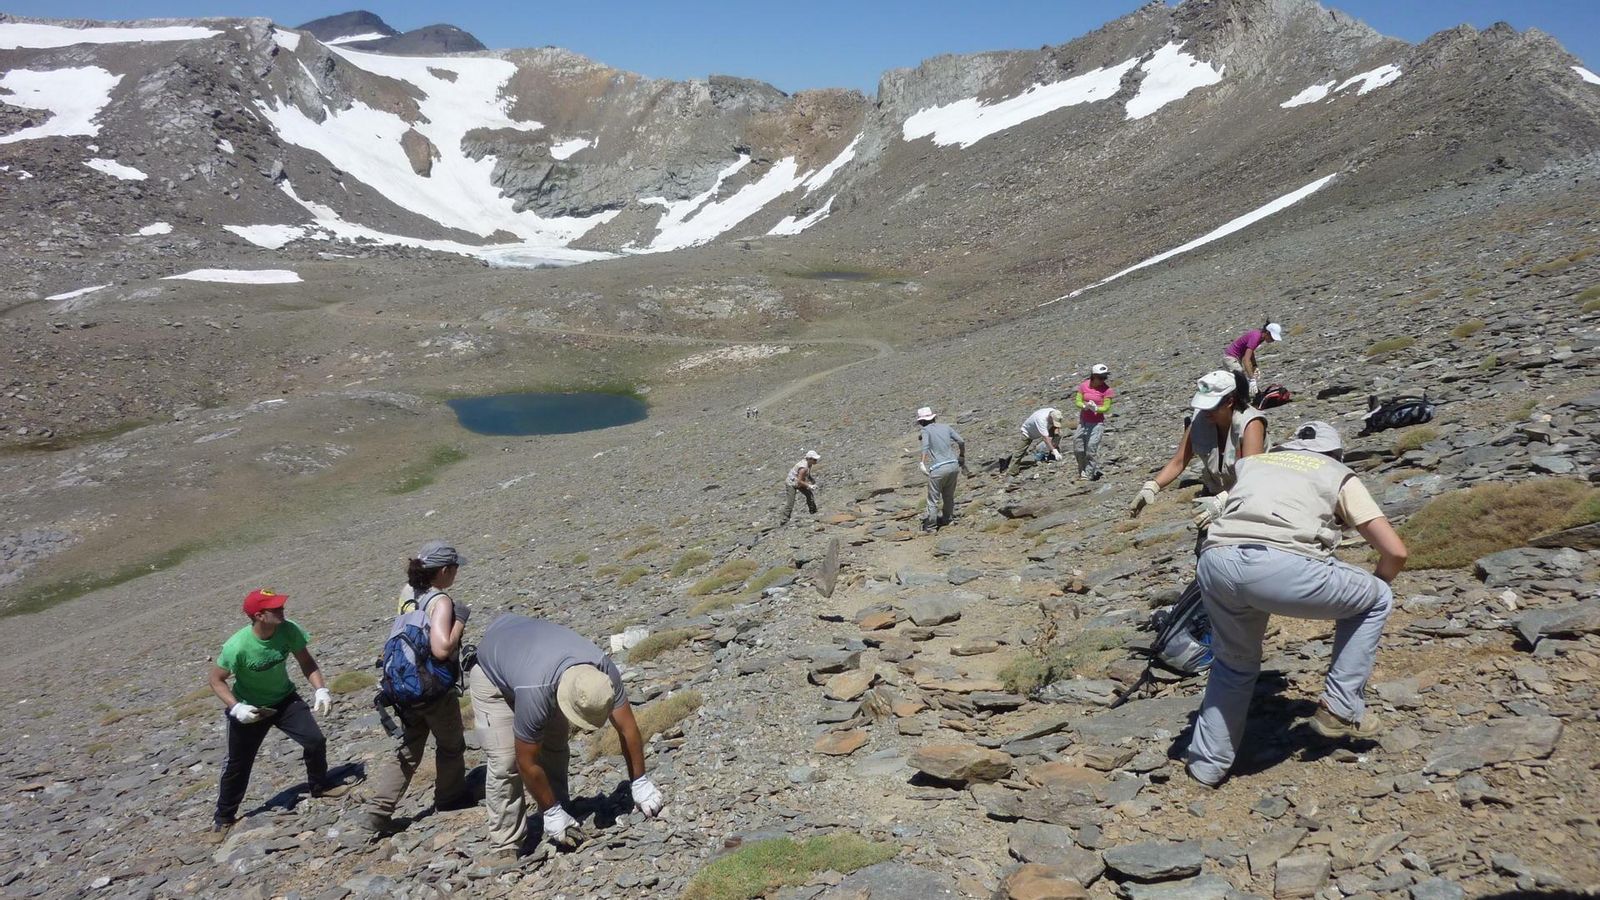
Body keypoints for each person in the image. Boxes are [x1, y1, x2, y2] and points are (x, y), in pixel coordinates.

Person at [1183, 422, 1408, 787]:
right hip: (1281, 567)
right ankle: (1340, 707)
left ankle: (1206, 767)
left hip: (1216, 562)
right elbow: (1395, 551)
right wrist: (1373, 589)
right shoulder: (1337, 473)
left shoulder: (1255, 463)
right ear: (1334, 453)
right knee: (1376, 598)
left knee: (1234, 663)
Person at [468, 614, 664, 860]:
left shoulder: (603, 670)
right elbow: (525, 760)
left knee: (555, 744)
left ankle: (562, 809)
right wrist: (550, 812)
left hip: (528, 652)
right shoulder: (536, 692)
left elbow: (628, 728)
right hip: (491, 671)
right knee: (505, 761)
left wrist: (640, 781)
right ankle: (506, 842)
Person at [207, 588, 350, 840]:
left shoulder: (288, 629)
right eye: (275, 608)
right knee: (238, 764)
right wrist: (236, 707)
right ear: (260, 615)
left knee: (315, 741)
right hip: (250, 708)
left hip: (284, 700)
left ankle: (320, 785)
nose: (282, 610)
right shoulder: (237, 646)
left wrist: (321, 689)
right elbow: (216, 680)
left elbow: (306, 661)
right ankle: (224, 817)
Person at [367, 542, 472, 834]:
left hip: (403, 684)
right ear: (444, 570)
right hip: (432, 685)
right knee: (451, 745)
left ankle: (379, 810)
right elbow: (441, 649)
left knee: (410, 748)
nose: (456, 574)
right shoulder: (440, 601)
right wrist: (460, 621)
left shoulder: (407, 592)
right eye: (454, 569)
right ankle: (450, 798)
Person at [1129, 370, 1268, 530]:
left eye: (1211, 406)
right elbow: (1179, 460)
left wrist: (1223, 502)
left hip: (1248, 499)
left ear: (1229, 401)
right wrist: (1153, 486)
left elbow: (1251, 475)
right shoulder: (1200, 420)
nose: (1205, 411)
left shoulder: (1251, 424)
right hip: (1213, 497)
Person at [916, 406, 969, 533]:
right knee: (948, 495)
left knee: (933, 499)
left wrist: (922, 462)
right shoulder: (946, 427)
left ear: (921, 421)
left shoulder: (925, 431)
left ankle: (931, 527)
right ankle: (948, 520)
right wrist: (961, 455)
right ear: (933, 418)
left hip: (938, 468)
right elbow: (961, 441)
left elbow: (925, 447)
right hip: (953, 465)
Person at [1072, 364, 1116, 480]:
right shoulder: (1083, 386)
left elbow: (1106, 407)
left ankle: (1088, 473)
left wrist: (1096, 408)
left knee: (1091, 448)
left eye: (1105, 377)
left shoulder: (1107, 390)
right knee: (1079, 448)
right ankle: (1081, 471)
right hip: (1083, 422)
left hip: (1097, 424)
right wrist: (1084, 406)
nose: (1103, 380)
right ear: (1093, 376)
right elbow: (1077, 401)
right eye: (1101, 377)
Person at [1223, 321, 1283, 395]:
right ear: (1267, 333)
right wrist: (1252, 380)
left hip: (1235, 358)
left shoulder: (1260, 337)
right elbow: (1246, 360)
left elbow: (1250, 351)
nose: (1273, 340)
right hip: (1230, 358)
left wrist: (1254, 365)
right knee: (1241, 379)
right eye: (1272, 338)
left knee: (1240, 380)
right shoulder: (1256, 337)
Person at [1006, 407, 1064, 476]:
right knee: (1020, 452)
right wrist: (1054, 450)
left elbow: (1056, 427)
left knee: (1058, 435)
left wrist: (1056, 432)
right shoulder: (1041, 420)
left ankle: (1052, 457)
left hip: (1046, 427)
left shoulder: (1056, 413)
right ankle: (1012, 472)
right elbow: (1046, 439)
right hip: (1028, 432)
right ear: (1050, 417)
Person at [781, 450, 822, 525]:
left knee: (810, 496)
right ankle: (784, 520)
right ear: (809, 459)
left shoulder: (809, 464)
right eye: (814, 459)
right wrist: (809, 485)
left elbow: (807, 475)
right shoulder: (803, 467)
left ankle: (813, 512)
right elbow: (799, 481)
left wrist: (811, 479)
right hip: (791, 483)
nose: (816, 461)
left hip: (799, 482)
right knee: (790, 502)